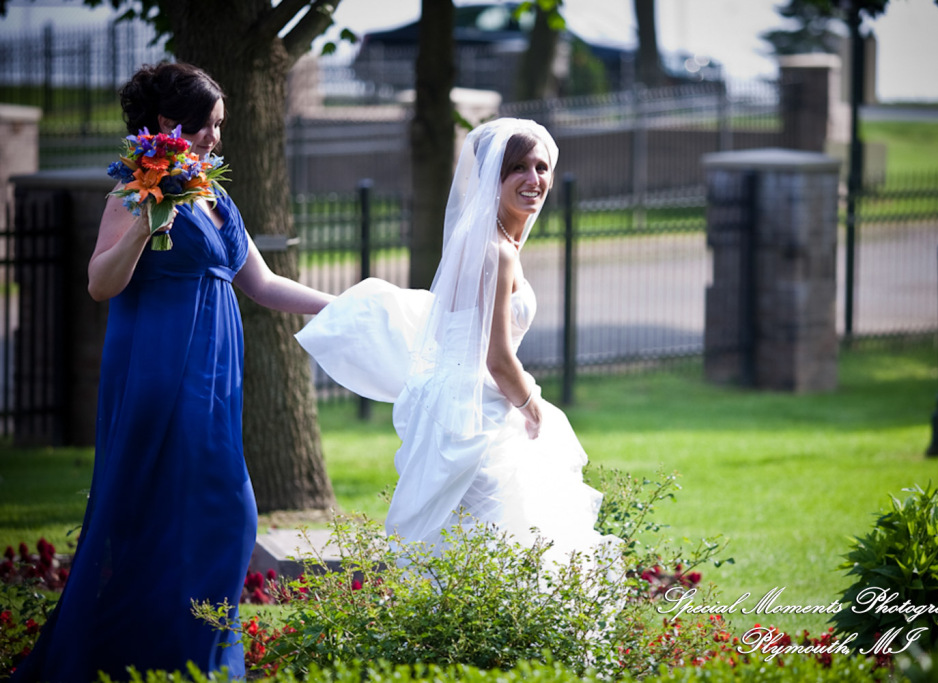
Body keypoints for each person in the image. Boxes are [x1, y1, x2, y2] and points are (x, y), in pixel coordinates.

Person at [13, 62, 335, 681]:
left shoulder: (218, 196)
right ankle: (161, 659)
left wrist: (353, 303)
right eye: (207, 125)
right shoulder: (133, 192)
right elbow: (99, 284)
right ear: (166, 123)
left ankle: (187, 659)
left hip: (218, 375)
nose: (216, 137)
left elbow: (263, 285)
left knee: (218, 514)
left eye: (220, 124)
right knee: (210, 510)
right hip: (160, 368)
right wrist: (146, 220)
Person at [297, 118, 618, 572]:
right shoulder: (496, 250)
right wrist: (533, 407)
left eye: (542, 167)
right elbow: (498, 358)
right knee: (497, 540)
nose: (534, 180)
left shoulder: (490, 241)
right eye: (518, 168)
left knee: (482, 542)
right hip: (477, 410)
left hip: (460, 400)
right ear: (494, 177)